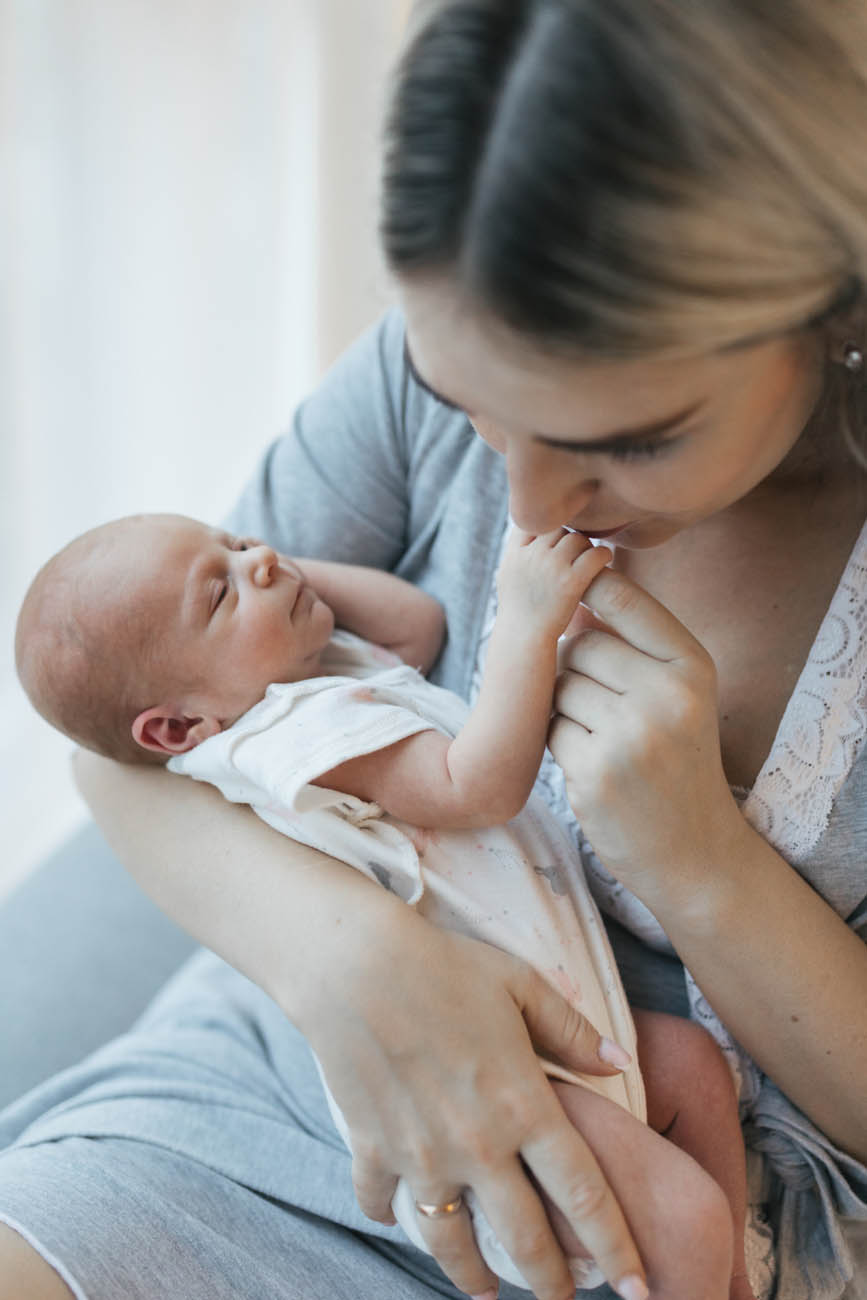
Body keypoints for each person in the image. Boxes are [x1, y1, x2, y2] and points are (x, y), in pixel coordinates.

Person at [2, 1, 867, 1298]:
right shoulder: (411, 376)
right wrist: (353, 968)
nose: (521, 509)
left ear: (828, 301)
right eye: (475, 410)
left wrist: (698, 861)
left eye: (627, 439)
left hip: (671, 1189)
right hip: (312, 1064)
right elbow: (128, 744)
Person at [14, 508, 759, 1299]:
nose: (259, 558)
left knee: (692, 1070)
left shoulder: (314, 672)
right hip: (490, 1068)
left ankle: (737, 1279)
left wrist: (267, 576)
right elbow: (472, 785)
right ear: (180, 728)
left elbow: (417, 623)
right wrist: (526, 620)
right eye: (218, 594)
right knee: (685, 1221)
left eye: (233, 543)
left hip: (538, 1022)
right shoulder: (288, 738)